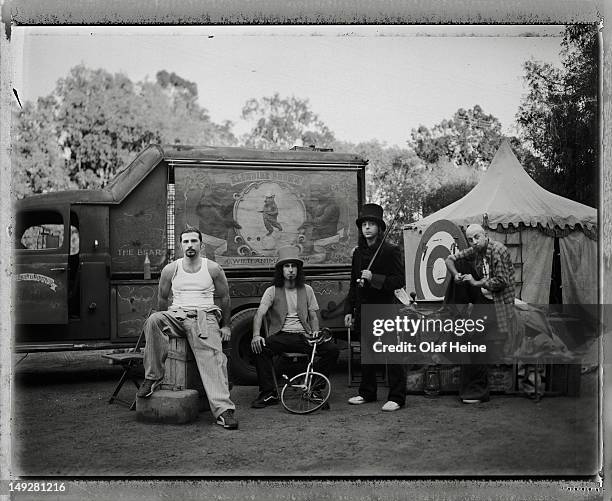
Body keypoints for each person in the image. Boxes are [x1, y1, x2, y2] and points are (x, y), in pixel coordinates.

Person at [136, 226, 238, 430]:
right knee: (154, 320)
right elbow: (162, 299)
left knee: (213, 359)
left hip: (203, 317)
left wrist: (225, 325)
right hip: (177, 316)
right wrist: (166, 319)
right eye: (186, 242)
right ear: (181, 245)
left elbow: (225, 297)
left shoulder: (212, 268)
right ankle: (152, 378)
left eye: (194, 241)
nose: (190, 245)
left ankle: (223, 410)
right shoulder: (171, 269)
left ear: (201, 244)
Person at [250, 246, 339, 408]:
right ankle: (269, 393)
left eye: (294, 266)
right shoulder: (272, 291)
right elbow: (259, 314)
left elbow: (313, 316)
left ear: (298, 270)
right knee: (260, 348)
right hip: (282, 335)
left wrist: (316, 331)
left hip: (304, 336)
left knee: (332, 350)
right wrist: (256, 335)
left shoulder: (307, 290)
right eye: (286, 266)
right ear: (281, 270)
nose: (290, 270)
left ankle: (313, 388)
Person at [344, 203, 406, 412]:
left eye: (372, 224)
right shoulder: (357, 253)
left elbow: (399, 280)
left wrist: (375, 278)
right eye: (364, 224)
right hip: (364, 309)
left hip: (385, 308)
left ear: (379, 228)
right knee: (367, 354)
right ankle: (367, 393)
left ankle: (397, 397)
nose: (367, 228)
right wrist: (348, 311)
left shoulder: (391, 250)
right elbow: (353, 284)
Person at [445, 223, 516, 404]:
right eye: (470, 239)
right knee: (466, 336)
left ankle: (477, 391)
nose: (474, 242)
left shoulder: (497, 250)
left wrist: (475, 283)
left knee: (476, 339)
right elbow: (449, 259)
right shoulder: (476, 250)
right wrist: (455, 275)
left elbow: (501, 281)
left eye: (477, 237)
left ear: (485, 235)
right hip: (484, 299)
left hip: (498, 301)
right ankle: (470, 390)